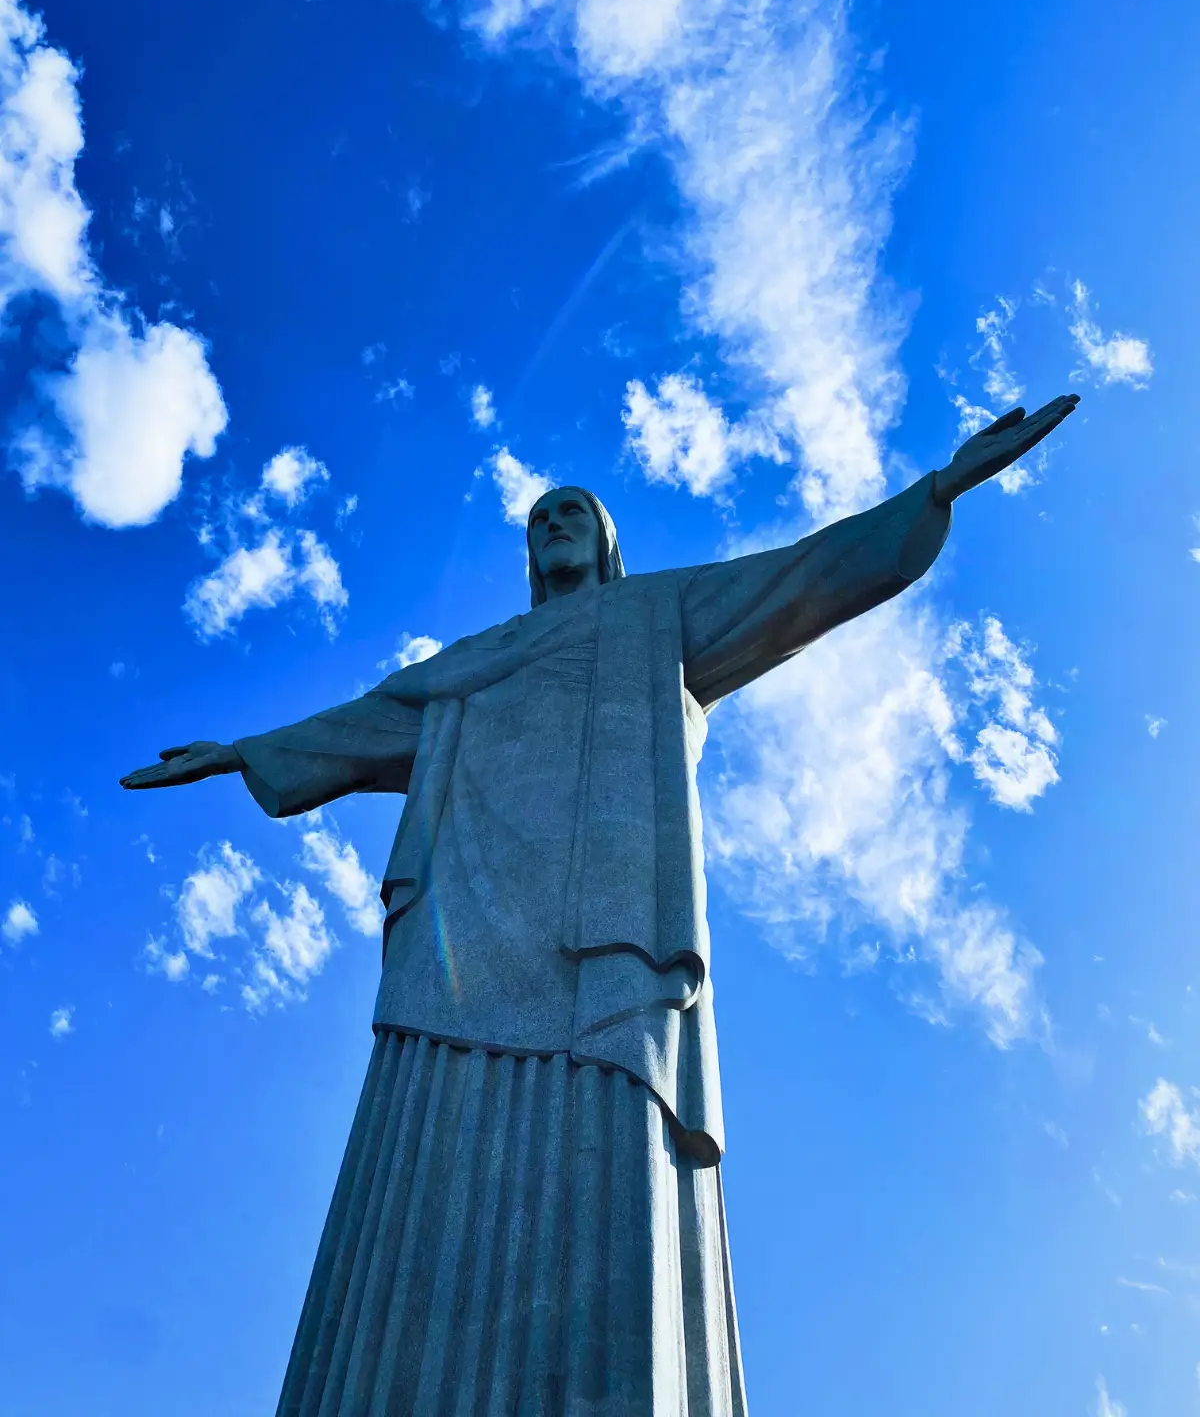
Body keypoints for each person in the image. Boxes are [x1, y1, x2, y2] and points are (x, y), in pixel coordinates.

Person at [123, 395, 1078, 1417]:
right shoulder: (467, 669)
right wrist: (241, 750)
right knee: (425, 1171)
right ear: (528, 556)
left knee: (608, 1152)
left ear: (608, 541)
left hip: (608, 945)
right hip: (463, 943)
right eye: (539, 518)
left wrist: (936, 489)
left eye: (573, 509)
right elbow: (368, 721)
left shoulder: (658, 615)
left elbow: (802, 576)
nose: (554, 522)